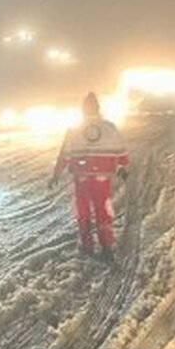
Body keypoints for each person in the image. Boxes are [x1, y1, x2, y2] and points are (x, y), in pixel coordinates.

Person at [49, 92, 130, 258]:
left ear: (82, 110)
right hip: (102, 178)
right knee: (103, 211)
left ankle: (87, 245)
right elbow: (121, 151)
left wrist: (56, 175)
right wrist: (123, 167)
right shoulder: (109, 127)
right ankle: (106, 245)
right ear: (98, 108)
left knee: (83, 211)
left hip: (82, 178)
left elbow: (65, 155)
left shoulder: (74, 130)